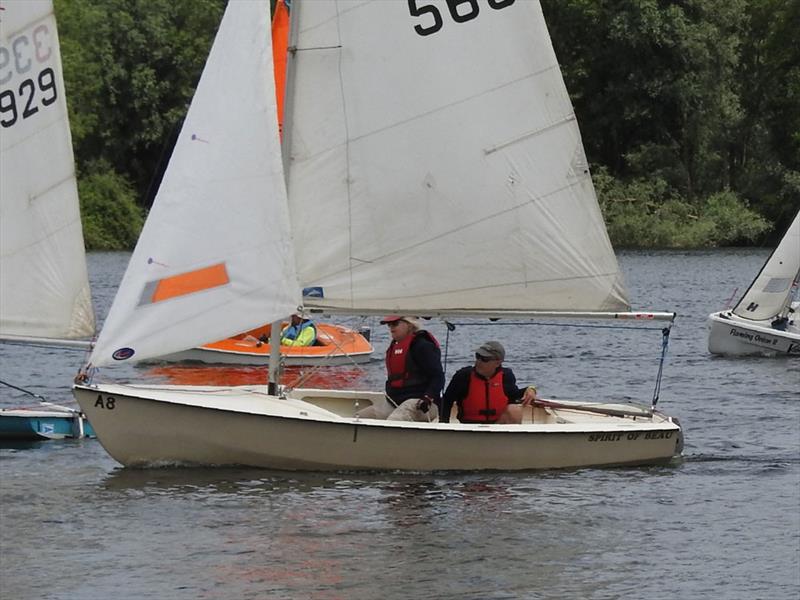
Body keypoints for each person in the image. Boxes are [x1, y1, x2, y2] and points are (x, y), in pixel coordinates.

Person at [357, 315, 444, 422]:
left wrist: (427, 398)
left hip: (421, 404)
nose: (391, 328)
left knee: (394, 420)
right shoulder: (395, 346)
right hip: (395, 402)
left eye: (395, 324)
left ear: (409, 324)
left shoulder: (422, 346)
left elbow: (438, 376)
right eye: (389, 325)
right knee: (359, 418)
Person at [440, 341, 537, 424]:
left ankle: (508, 443)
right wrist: (443, 426)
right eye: (478, 357)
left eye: (484, 359)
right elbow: (447, 401)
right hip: (469, 428)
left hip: (496, 427)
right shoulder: (463, 376)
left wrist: (531, 389)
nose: (478, 361)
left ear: (498, 362)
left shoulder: (506, 376)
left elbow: (514, 395)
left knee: (515, 410)